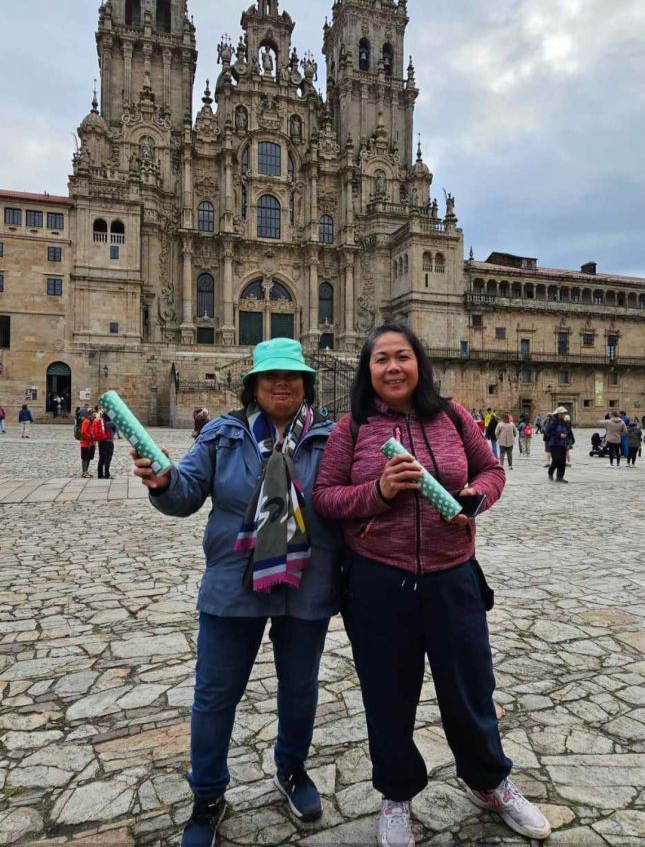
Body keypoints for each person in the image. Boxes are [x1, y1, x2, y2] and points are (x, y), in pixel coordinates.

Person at [313, 322, 550, 846]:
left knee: (470, 688)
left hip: (452, 577)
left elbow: (491, 471)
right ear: (368, 370)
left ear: (418, 362)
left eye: (402, 356)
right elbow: (326, 496)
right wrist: (378, 492)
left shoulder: (453, 416)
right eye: (381, 359)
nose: (393, 367)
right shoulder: (352, 427)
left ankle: (490, 782)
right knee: (387, 694)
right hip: (378, 580)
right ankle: (396, 795)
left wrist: (475, 499)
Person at [132, 338, 342, 847]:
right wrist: (162, 483)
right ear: (253, 385)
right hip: (233, 584)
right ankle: (207, 796)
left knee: (300, 688)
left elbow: (347, 500)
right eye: (270, 375)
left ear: (307, 384)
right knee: (214, 695)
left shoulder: (332, 438)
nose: (281, 383)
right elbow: (185, 495)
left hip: (306, 583)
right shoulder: (222, 435)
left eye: (292, 375)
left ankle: (291, 769)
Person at [546, 407, 569, 482]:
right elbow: (549, 432)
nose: (563, 415)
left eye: (564, 413)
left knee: (562, 461)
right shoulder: (553, 421)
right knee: (556, 460)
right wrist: (559, 435)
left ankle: (560, 477)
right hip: (554, 444)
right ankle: (550, 472)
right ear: (558, 414)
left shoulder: (563, 422)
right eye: (562, 414)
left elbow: (567, 431)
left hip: (562, 444)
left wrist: (567, 438)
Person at [92, 409, 116, 478]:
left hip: (101, 441)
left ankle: (100, 474)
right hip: (109, 442)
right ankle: (107, 474)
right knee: (108, 458)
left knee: (101, 458)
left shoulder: (100, 422)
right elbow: (114, 431)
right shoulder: (111, 423)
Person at [80, 408, 96, 477]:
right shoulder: (86, 421)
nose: (95, 414)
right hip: (86, 443)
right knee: (85, 458)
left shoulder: (92, 421)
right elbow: (83, 432)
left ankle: (86, 471)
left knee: (89, 457)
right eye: (93, 412)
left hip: (91, 443)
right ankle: (84, 472)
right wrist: (90, 437)